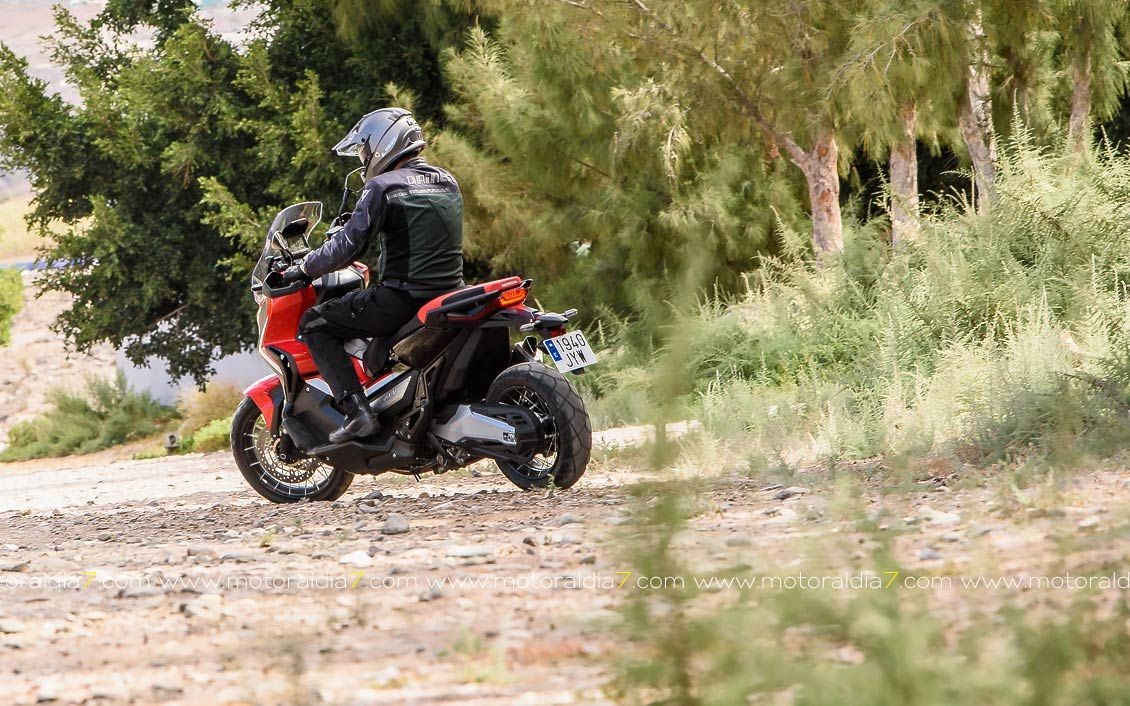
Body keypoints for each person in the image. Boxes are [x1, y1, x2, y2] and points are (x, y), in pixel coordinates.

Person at [279, 108, 464, 443]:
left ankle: (357, 413)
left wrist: (304, 268)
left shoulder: (382, 187)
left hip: (403, 299)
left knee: (314, 323)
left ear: (383, 144)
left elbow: (347, 247)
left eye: (364, 152)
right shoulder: (446, 180)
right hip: (452, 292)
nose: (364, 160)